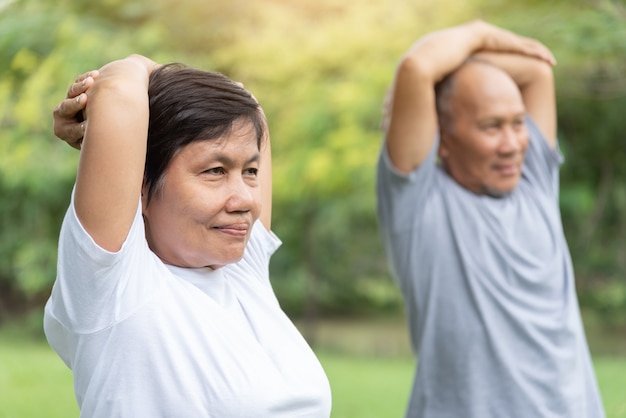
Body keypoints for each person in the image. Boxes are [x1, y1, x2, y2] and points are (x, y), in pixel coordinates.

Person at [44, 54, 331, 417]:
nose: (244, 200)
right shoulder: (115, 288)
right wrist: (97, 107)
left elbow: (246, 104)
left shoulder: (242, 271)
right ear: (142, 188)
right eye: (214, 170)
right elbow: (119, 92)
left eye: (251, 171)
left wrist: (160, 86)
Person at [376, 20, 605, 417]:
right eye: (491, 127)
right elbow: (417, 68)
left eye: (517, 122)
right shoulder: (420, 205)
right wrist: (480, 33)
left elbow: (537, 70)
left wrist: (447, 71)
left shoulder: (535, 181)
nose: (513, 143)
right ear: (443, 139)